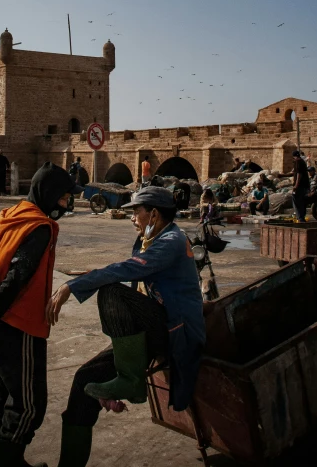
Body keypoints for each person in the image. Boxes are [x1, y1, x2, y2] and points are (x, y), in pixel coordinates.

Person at [46, 187, 205, 467]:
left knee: (112, 292)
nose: (132, 217)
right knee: (84, 381)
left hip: (175, 332)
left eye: (136, 211)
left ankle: (130, 381)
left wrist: (73, 285)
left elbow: (127, 271)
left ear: (153, 213)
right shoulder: (148, 240)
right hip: (153, 328)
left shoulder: (171, 241)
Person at [0, 162, 83, 467]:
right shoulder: (39, 228)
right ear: (50, 194)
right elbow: (17, 276)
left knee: (3, 399)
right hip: (20, 327)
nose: (66, 204)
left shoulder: (7, 217)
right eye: (64, 197)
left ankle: (10, 461)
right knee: (29, 405)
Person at [292, 150, 310, 222]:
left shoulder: (298, 162)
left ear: (294, 157)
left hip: (300, 186)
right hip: (305, 186)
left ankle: (300, 218)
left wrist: (296, 185)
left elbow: (299, 174)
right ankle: (302, 218)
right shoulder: (302, 161)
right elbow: (296, 173)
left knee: (296, 201)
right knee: (302, 202)